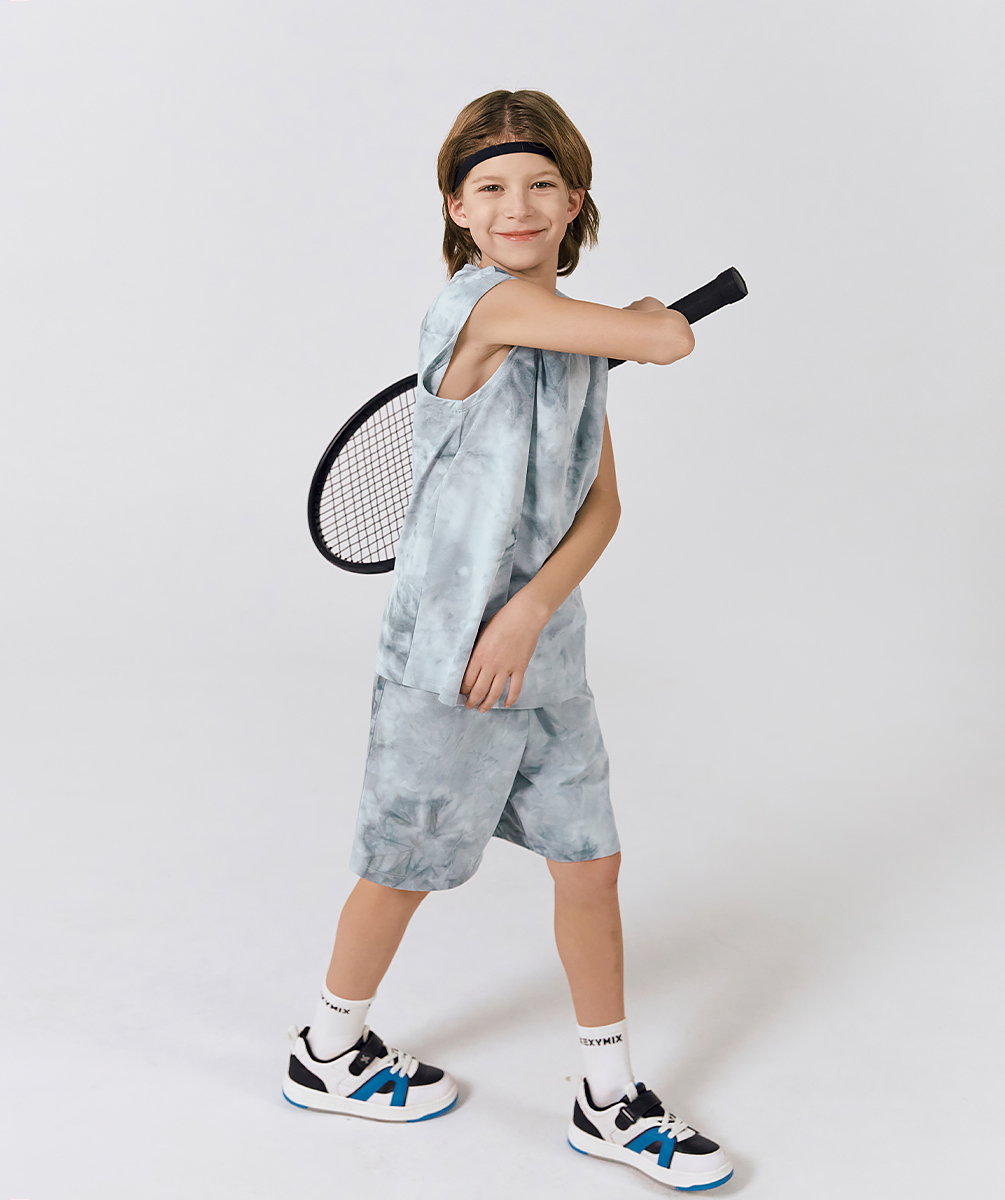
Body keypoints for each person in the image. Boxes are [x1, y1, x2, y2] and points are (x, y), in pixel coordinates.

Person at [283, 89, 733, 1192]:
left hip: (543, 658)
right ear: (457, 210)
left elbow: (601, 507)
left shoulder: (573, 338)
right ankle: (328, 1051)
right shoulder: (480, 306)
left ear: (575, 201)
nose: (515, 204)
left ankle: (606, 1094)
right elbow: (664, 338)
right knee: (404, 866)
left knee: (592, 863)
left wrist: (530, 612)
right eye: (488, 186)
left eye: (540, 183)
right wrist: (645, 320)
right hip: (450, 660)